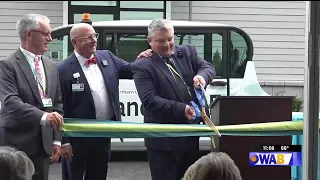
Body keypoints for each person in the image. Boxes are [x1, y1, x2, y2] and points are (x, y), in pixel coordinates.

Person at [57, 23, 151, 180]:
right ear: (75, 42)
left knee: (99, 174)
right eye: (88, 37)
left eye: (95, 36)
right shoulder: (63, 69)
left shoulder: (107, 56)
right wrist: (64, 142)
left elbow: (130, 69)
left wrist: (143, 59)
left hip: (103, 134)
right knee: (73, 176)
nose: (94, 40)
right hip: (77, 138)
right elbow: (60, 107)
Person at [131, 18, 216, 180]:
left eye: (170, 39)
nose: (167, 44)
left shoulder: (187, 52)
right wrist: (181, 109)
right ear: (149, 41)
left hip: (190, 138)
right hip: (163, 144)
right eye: (161, 41)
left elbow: (208, 68)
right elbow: (150, 100)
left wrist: (201, 77)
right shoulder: (142, 65)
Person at [0, 14, 64, 180]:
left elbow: (57, 104)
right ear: (29, 34)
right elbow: (10, 102)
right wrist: (44, 117)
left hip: (43, 145)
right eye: (45, 33)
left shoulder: (51, 66)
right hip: (16, 144)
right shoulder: (7, 65)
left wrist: (57, 140)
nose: (50, 38)